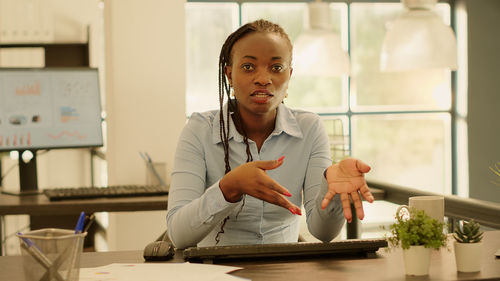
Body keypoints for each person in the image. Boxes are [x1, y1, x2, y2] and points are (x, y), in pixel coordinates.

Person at [166, 19, 374, 249]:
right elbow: (178, 234)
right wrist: (228, 188)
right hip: (213, 269)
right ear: (229, 75)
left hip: (284, 269)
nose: (263, 79)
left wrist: (330, 190)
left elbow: (323, 233)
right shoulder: (199, 130)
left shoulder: (310, 128)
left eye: (276, 68)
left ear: (289, 76)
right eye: (248, 67)